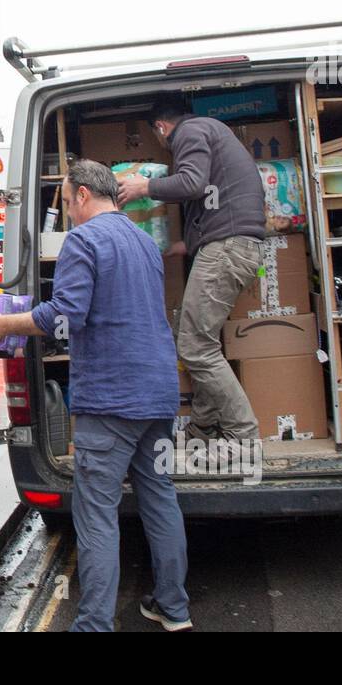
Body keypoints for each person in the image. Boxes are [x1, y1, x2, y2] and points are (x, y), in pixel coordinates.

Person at [0, 159, 191, 632]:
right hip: (158, 392)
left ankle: (93, 624)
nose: (68, 211)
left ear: (85, 196)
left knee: (96, 515)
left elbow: (66, 314)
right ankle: (173, 608)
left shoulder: (84, 239)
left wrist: (3, 323)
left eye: (68, 201)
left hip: (111, 398)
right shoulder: (144, 243)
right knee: (159, 498)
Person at [116, 96, 266, 441]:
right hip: (229, 245)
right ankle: (202, 428)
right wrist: (185, 245)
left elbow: (192, 183)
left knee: (196, 348)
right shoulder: (210, 131)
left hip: (227, 248)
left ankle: (243, 436)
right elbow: (211, 195)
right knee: (195, 338)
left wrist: (144, 186)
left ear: (161, 127)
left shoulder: (190, 131)